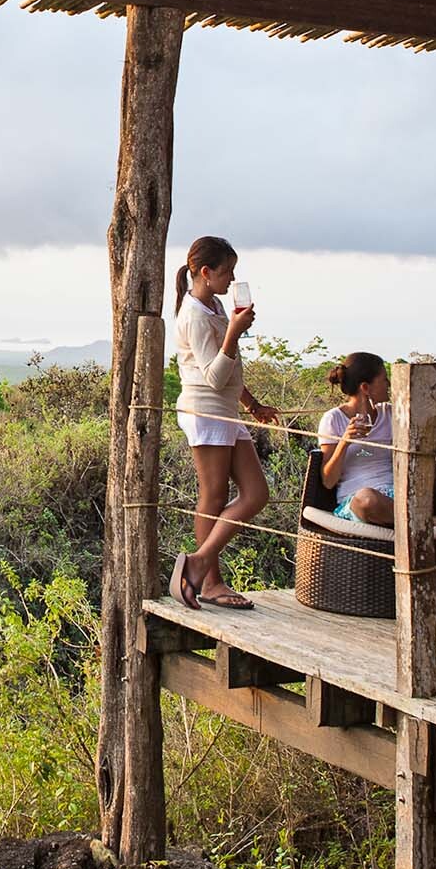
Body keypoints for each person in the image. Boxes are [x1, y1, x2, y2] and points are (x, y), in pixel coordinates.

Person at [169, 236, 278, 611]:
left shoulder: (213, 303)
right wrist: (233, 332)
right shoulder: (194, 315)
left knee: (256, 494)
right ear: (205, 272)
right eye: (227, 272)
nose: (232, 279)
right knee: (213, 496)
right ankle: (209, 581)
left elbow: (229, 375)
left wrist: (252, 404)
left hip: (226, 411)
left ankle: (198, 564)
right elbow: (214, 377)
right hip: (205, 410)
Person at [318, 351, 436, 528]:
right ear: (366, 388)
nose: (389, 384)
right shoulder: (333, 419)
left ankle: (407, 518)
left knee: (410, 494)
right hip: (357, 502)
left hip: (395, 498)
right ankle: (431, 522)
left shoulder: (390, 413)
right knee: (367, 499)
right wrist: (344, 442)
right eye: (384, 379)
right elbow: (328, 481)